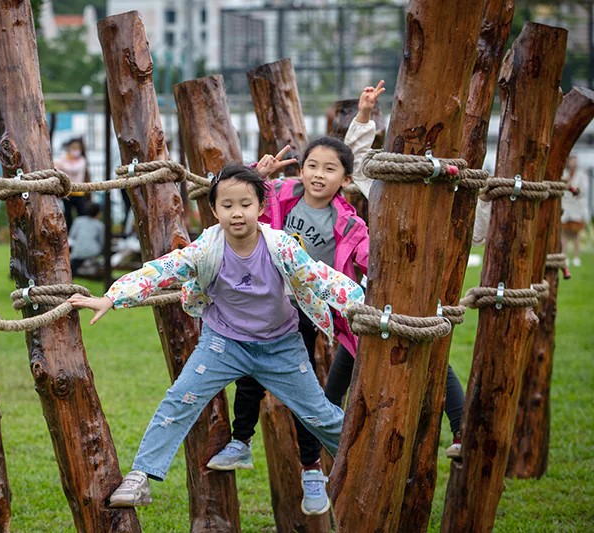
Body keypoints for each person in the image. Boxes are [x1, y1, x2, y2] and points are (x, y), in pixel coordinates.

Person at [206, 81, 466, 510]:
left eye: (330, 169)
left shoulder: (350, 225)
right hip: (267, 302)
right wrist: (261, 171)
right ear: (301, 169)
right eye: (311, 165)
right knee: (253, 377)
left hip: (313, 309)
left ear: (346, 180)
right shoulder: (282, 195)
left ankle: (314, 470)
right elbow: (235, 196)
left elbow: (367, 259)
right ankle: (241, 442)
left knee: (309, 389)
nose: (318, 175)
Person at [68, 163, 365, 515]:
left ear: (261, 207)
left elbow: (320, 277)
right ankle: (141, 474)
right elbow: (162, 270)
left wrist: (363, 303)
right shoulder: (206, 249)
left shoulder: (280, 246)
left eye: (245, 204)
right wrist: (112, 297)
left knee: (321, 416)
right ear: (213, 210)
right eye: (227, 205)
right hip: (223, 344)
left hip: (281, 347)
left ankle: (367, 461)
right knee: (179, 400)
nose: (236, 213)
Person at [561, 154, 589, 268]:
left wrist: (577, 191)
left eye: (575, 161)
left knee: (576, 234)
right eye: (572, 161)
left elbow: (584, 190)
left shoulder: (582, 175)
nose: (574, 163)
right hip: (565, 207)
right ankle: (564, 257)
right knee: (564, 234)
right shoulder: (563, 174)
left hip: (577, 208)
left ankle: (576, 257)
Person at [54, 137, 90, 226]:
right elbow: (55, 167)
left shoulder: (82, 160)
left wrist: (62, 164)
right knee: (68, 215)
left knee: (82, 215)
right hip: (67, 192)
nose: (75, 150)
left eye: (77, 148)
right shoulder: (64, 159)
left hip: (79, 192)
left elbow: (74, 169)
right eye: (73, 148)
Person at [68, 202, 105, 276]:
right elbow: (102, 241)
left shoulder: (78, 221)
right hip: (93, 252)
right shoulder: (99, 225)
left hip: (77, 252)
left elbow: (71, 236)